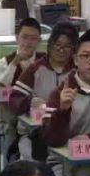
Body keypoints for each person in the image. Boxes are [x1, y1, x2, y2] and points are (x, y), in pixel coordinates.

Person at [9, 22, 78, 161]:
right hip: (36, 135)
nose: (61, 50)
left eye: (67, 46)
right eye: (57, 44)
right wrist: (29, 102)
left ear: (74, 50)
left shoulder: (78, 72)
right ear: (50, 45)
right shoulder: (36, 69)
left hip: (70, 135)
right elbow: (14, 99)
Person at [0, 16, 42, 88]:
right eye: (24, 37)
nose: (28, 42)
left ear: (39, 41)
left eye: (33, 38)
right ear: (17, 38)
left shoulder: (45, 61)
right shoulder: (4, 63)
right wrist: (15, 62)